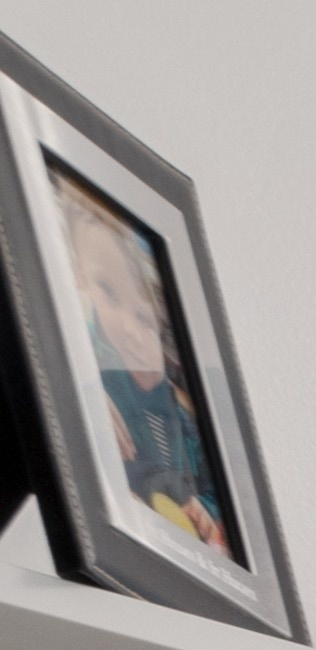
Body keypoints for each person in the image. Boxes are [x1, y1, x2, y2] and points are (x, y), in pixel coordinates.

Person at [53, 174, 233, 564]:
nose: (132, 332)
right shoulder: (91, 369)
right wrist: (85, 392)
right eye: (108, 292)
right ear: (81, 279)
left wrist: (205, 512)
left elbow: (210, 485)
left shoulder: (182, 415)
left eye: (143, 317)